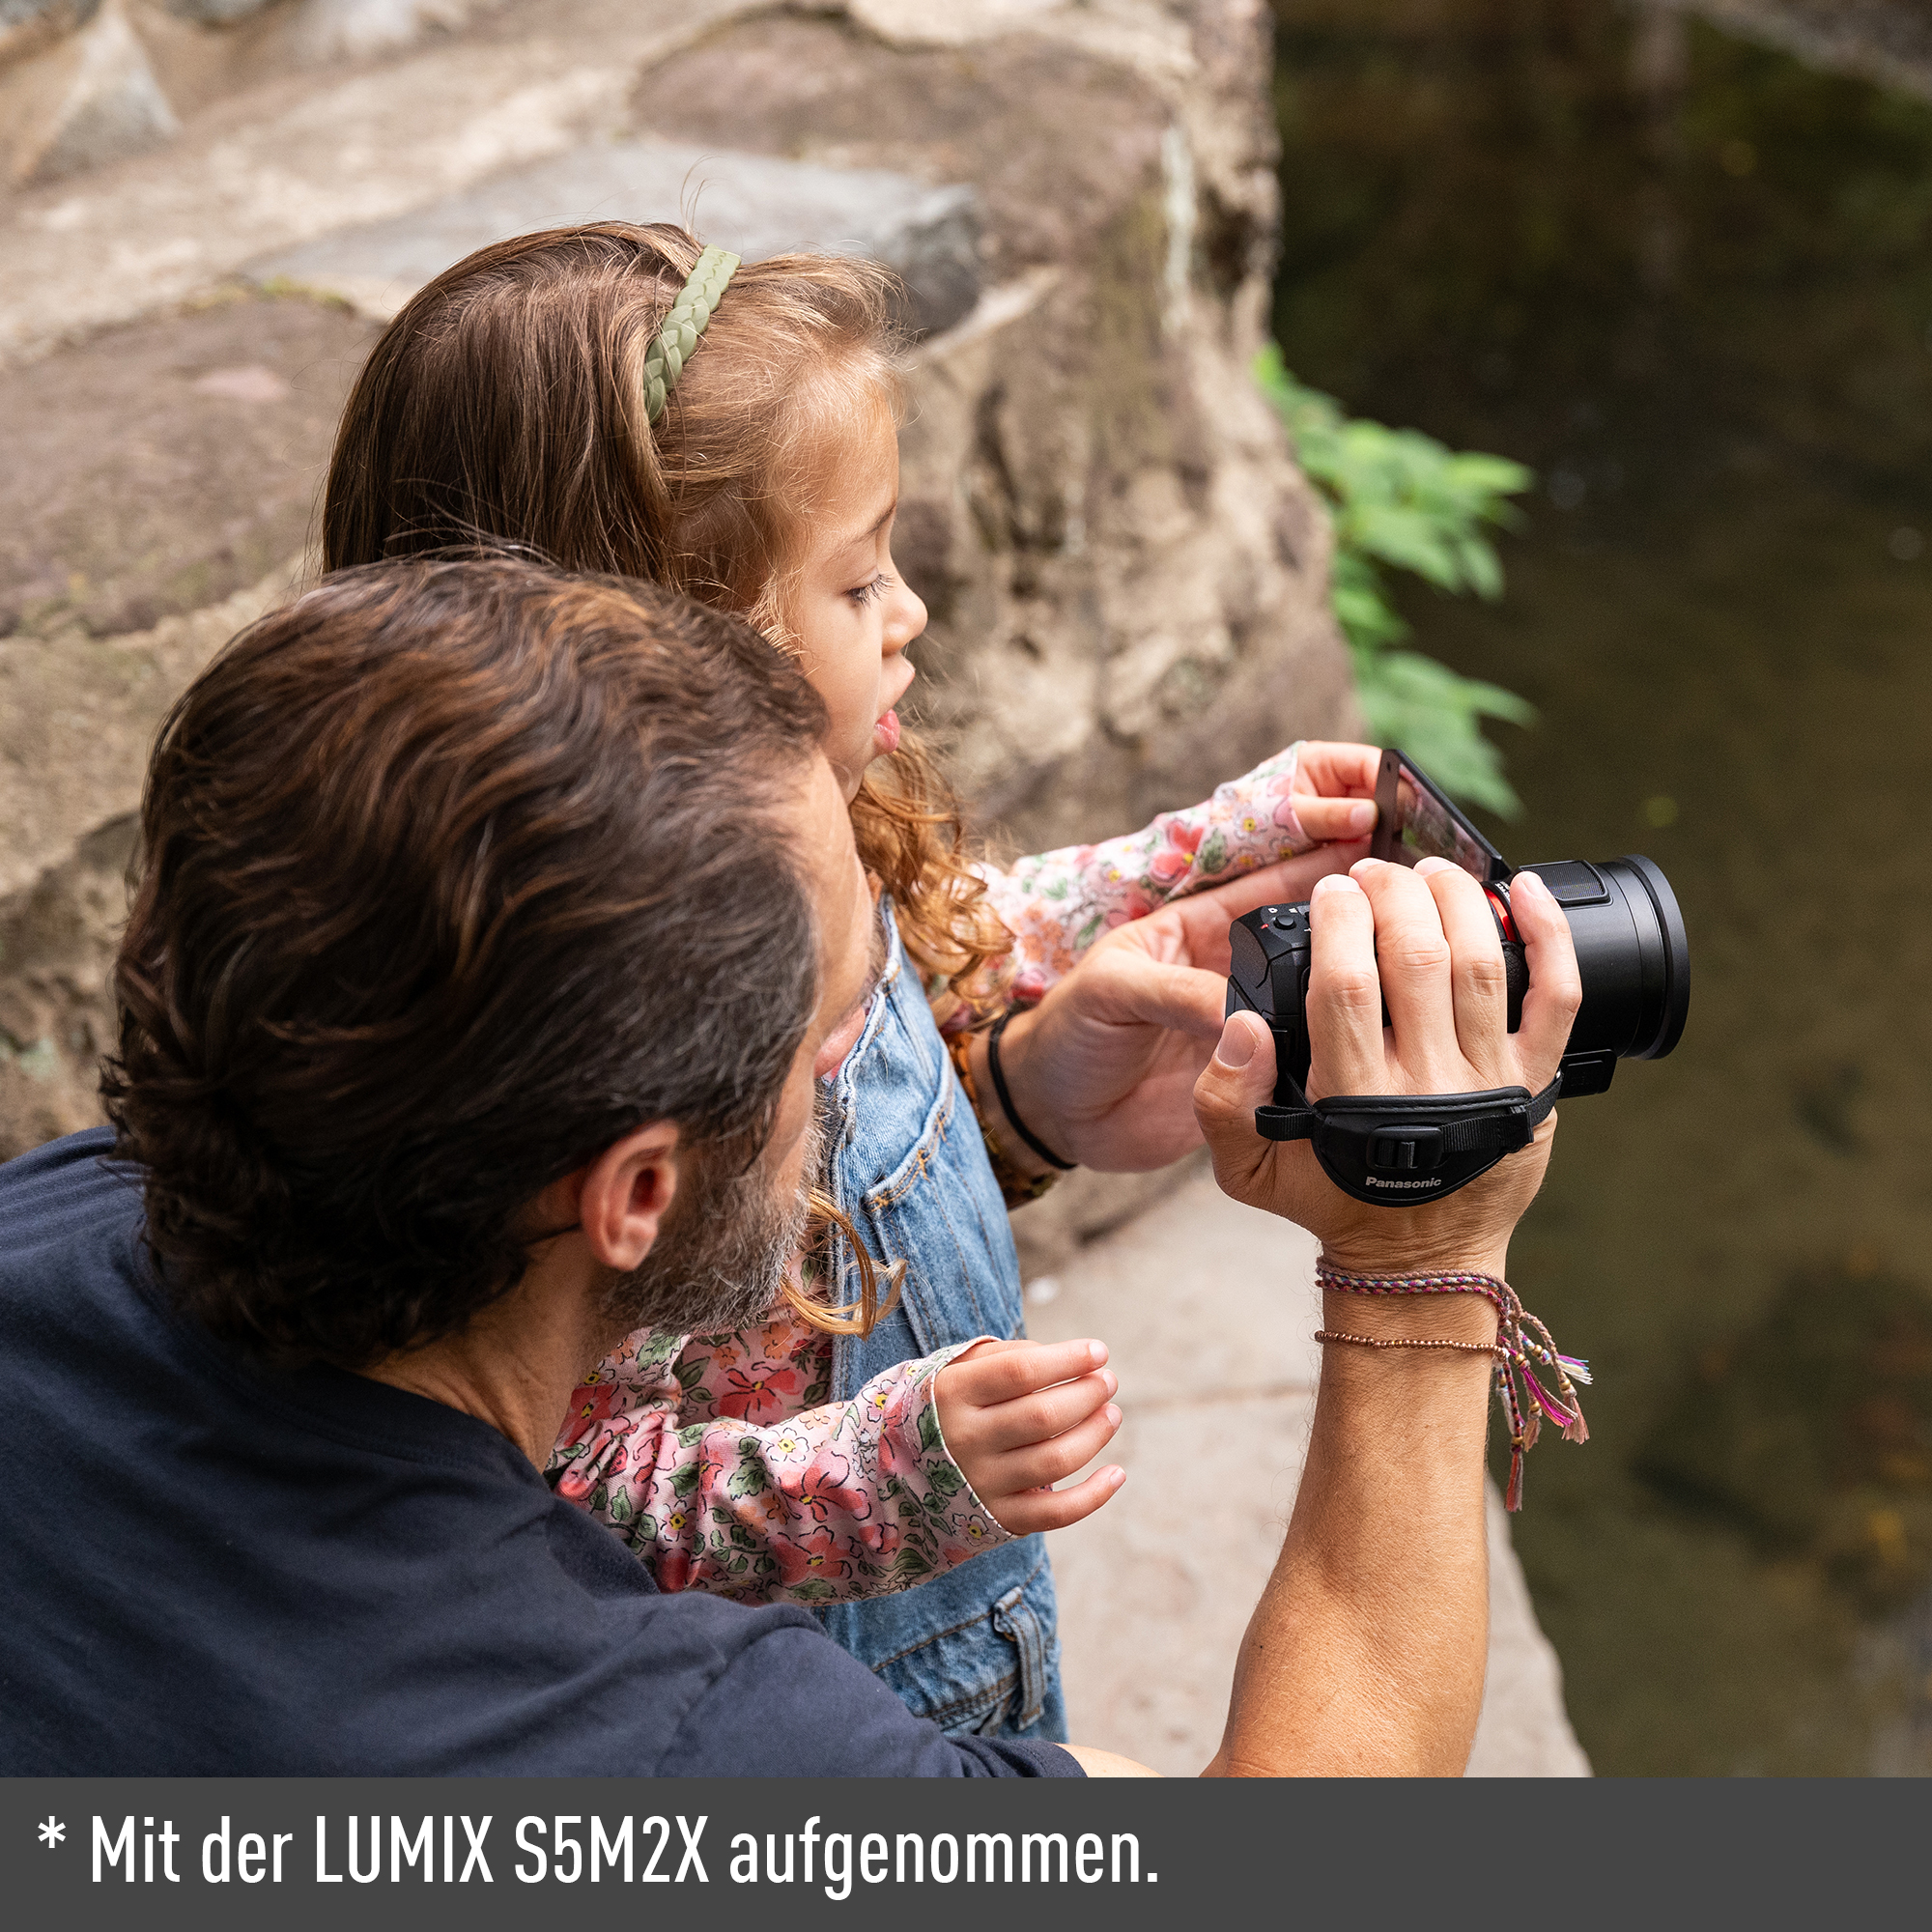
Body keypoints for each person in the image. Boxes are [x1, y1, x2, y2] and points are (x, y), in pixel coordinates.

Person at [0, 556, 1582, 1776]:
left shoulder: (48, 1241)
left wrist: (1014, 1112)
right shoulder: (677, 1754)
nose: (865, 1072)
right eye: (840, 1037)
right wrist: (1421, 1260)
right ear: (633, 1196)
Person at [323, 223, 1386, 1735]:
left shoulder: (811, 823)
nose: (911, 615)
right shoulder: (571, 1068)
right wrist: (885, 1477)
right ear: (677, 651)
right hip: (838, 1709)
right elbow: (559, 1493)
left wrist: (1193, 859)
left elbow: (933, 941)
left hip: (965, 1603)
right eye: (858, 579)